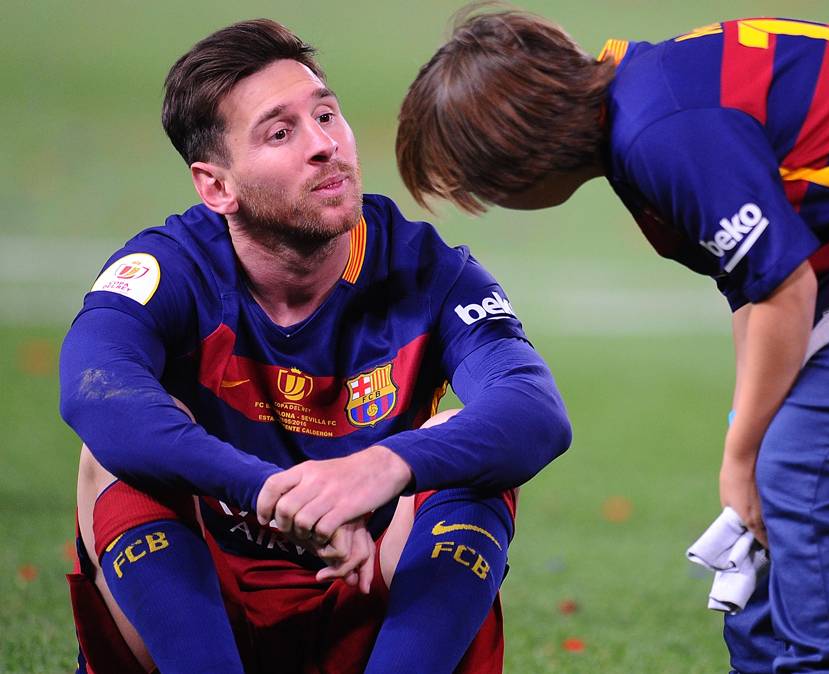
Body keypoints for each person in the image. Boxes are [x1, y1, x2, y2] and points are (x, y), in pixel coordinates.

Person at [395, 10, 829, 674]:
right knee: (773, 477)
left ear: (516, 156)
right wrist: (749, 437)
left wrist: (743, 458)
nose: (486, 202)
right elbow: (754, 289)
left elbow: (784, 288)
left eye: (479, 185)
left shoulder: (658, 131)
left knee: (799, 476)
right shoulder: (641, 107)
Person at [59, 18, 571, 674]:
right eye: (282, 131)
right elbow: (95, 394)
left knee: (472, 451)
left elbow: (534, 409)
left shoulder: (426, 271)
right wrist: (276, 491)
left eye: (327, 114)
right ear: (217, 186)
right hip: (210, 607)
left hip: (367, 603)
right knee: (104, 457)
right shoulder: (172, 269)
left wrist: (382, 465)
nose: (325, 145)